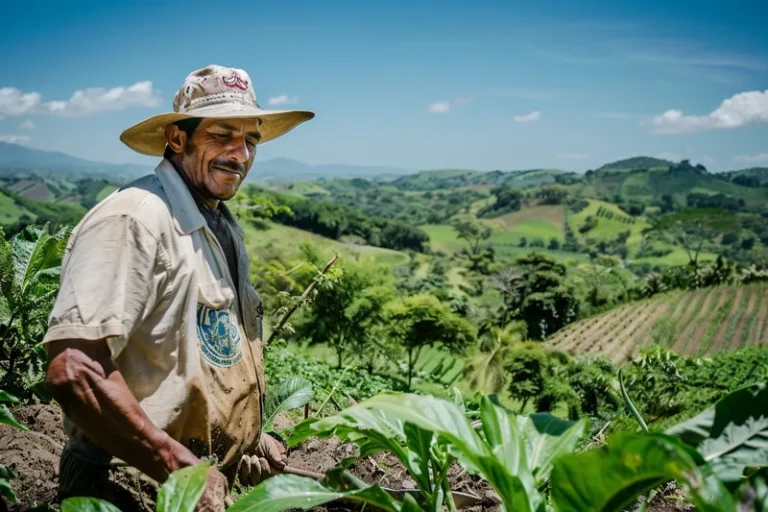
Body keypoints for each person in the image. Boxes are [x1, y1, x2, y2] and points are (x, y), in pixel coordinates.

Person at [42, 64, 315, 511]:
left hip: (190, 478)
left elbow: (195, 356)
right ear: (177, 139)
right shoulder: (135, 219)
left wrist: (245, 439)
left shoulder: (218, 224)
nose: (240, 155)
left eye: (250, 140)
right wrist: (176, 466)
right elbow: (74, 368)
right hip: (130, 479)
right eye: (222, 135)